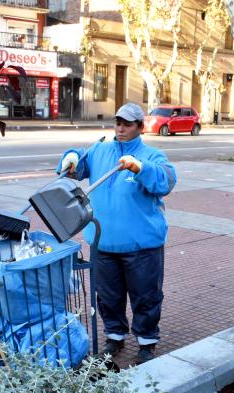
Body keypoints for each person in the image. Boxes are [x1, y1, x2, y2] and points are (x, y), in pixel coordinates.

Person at [56, 103, 177, 365]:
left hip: (141, 245)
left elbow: (166, 181)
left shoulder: (152, 155)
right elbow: (77, 164)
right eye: (118, 123)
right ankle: (114, 336)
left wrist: (140, 168)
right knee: (108, 296)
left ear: (140, 128)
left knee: (145, 295)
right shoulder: (101, 150)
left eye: (128, 124)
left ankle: (146, 341)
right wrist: (71, 157)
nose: (120, 128)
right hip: (103, 243)